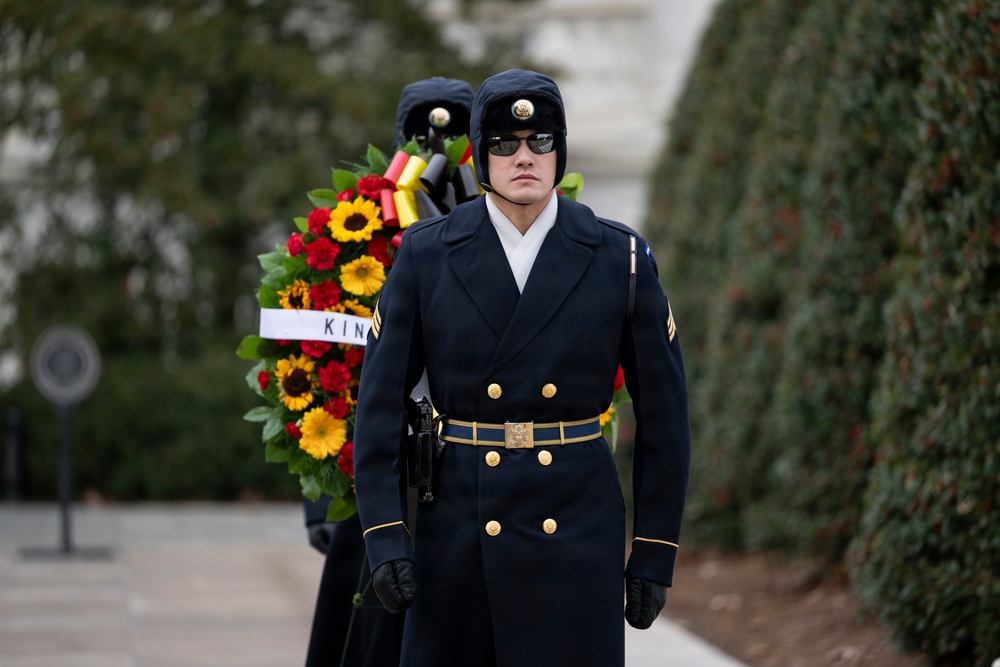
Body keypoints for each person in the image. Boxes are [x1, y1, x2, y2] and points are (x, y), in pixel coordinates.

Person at [352, 68, 691, 667]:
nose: (524, 156)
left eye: (541, 141)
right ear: (480, 158)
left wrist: (655, 549)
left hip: (577, 533)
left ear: (561, 151)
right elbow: (378, 407)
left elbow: (665, 420)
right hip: (458, 531)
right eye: (503, 143)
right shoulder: (427, 255)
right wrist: (385, 537)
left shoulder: (621, 258)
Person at [303, 75, 475, 667]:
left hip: (474, 474)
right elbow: (311, 362)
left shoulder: (507, 229)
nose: (436, 142)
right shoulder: (356, 228)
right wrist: (320, 499)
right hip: (377, 474)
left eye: (452, 126)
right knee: (370, 640)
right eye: (422, 128)